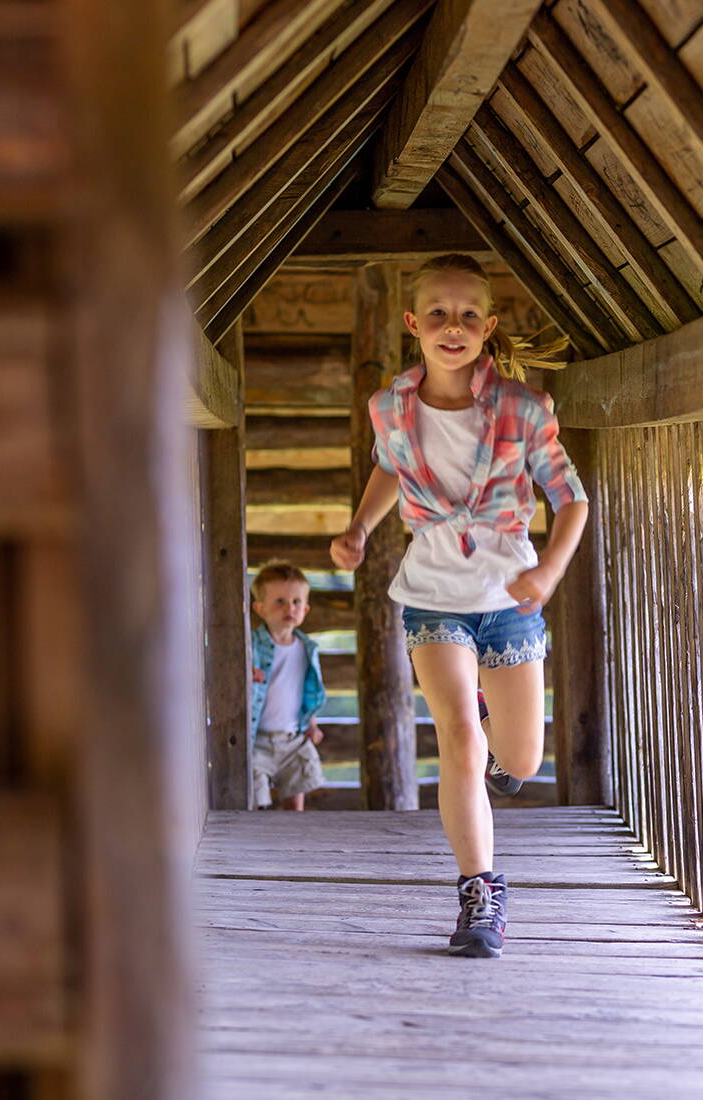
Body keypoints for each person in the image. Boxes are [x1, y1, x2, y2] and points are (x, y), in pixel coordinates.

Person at [330, 253, 588, 959]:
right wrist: (359, 527)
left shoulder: (523, 409)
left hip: (509, 598)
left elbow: (572, 500)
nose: (453, 327)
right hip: (432, 597)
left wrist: (551, 573)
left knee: (521, 762)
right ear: (413, 323)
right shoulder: (390, 407)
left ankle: (487, 715)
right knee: (460, 744)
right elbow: (390, 464)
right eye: (438, 314)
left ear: (488, 326)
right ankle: (481, 894)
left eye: (468, 315)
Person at [248, 561, 328, 811]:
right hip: (256, 740)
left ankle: (293, 847)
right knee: (253, 802)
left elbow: (307, 693)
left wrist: (311, 724)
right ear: (260, 608)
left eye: (296, 602)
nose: (289, 608)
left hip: (293, 738)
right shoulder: (250, 647)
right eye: (280, 601)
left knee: (295, 804)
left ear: (305, 608)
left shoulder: (307, 649)